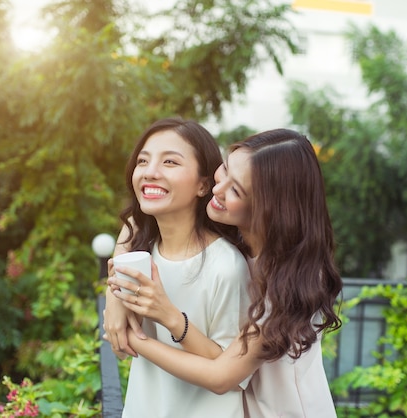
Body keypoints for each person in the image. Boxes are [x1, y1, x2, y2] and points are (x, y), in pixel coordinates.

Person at [108, 128, 343, 417]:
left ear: (268, 208)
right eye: (225, 171)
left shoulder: (287, 284)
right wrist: (114, 295)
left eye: (235, 190)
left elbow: (221, 375)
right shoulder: (242, 239)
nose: (218, 191)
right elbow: (136, 220)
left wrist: (134, 337)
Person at [105, 117, 251, 418]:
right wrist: (114, 300)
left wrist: (167, 317)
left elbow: (231, 374)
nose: (150, 172)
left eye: (170, 162)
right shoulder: (141, 251)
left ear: (203, 185)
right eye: (143, 161)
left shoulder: (225, 267)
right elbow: (118, 347)